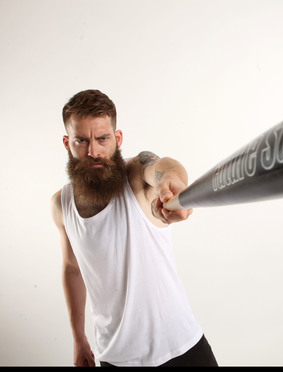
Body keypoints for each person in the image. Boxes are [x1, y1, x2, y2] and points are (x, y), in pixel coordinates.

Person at [50, 89, 218, 367]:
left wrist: (172, 183)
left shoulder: (135, 178)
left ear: (117, 139)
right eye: (82, 140)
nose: (93, 151)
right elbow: (72, 269)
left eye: (103, 139)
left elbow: (161, 165)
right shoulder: (61, 205)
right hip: (116, 358)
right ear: (68, 142)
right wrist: (79, 339)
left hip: (182, 347)